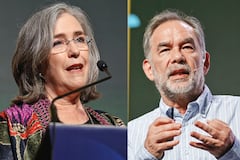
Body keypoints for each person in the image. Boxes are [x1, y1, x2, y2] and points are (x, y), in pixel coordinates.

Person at [0, 2, 125, 160]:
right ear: (37, 61)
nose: (74, 51)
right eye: (58, 42)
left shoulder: (114, 126)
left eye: (79, 39)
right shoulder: (13, 125)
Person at [128, 9, 240, 160]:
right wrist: (147, 155)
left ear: (205, 62)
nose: (177, 57)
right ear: (149, 70)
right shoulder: (130, 134)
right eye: (165, 49)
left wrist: (232, 151)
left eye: (187, 47)